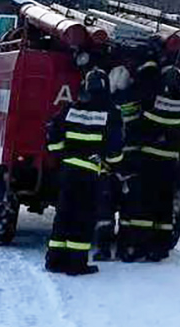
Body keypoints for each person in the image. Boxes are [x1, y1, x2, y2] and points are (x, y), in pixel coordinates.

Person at [45, 67, 123, 276]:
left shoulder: (72, 108)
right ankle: (76, 264)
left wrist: (62, 154)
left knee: (63, 215)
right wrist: (113, 165)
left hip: (68, 171)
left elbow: (53, 133)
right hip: (90, 175)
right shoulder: (111, 113)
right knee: (82, 219)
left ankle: (54, 260)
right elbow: (115, 150)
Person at [121, 64, 180, 263]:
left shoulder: (155, 102)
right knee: (163, 207)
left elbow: (140, 122)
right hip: (170, 164)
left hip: (149, 160)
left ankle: (139, 246)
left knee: (143, 204)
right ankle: (159, 248)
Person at [93, 64, 137, 262]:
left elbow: (111, 139)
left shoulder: (108, 105)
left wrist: (112, 165)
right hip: (134, 163)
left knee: (105, 209)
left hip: (111, 166)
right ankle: (126, 249)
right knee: (130, 210)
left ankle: (103, 248)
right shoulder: (135, 101)